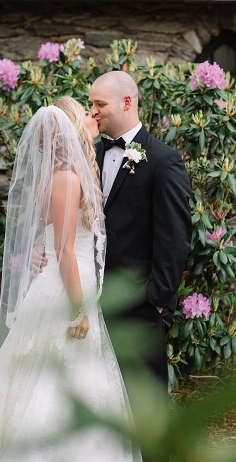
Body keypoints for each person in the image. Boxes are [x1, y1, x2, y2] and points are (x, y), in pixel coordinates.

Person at [0, 98, 140, 461]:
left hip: (69, 287)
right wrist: (77, 311)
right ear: (71, 129)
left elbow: (47, 239)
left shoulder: (68, 174)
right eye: (85, 113)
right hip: (65, 295)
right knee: (54, 387)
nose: (93, 116)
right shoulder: (67, 178)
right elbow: (65, 250)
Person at [89, 71, 192, 390]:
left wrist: (157, 303)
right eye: (90, 103)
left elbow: (175, 237)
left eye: (100, 104)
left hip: (140, 308)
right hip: (92, 303)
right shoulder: (91, 154)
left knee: (143, 403)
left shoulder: (163, 161)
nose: (92, 111)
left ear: (127, 102)